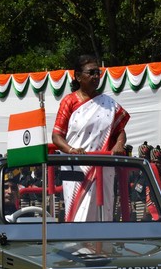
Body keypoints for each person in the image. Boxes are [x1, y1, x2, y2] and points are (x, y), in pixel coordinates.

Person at [52, 54, 130, 222]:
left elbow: (120, 131)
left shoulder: (109, 104)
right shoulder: (69, 102)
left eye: (98, 72)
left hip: (104, 168)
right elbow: (57, 136)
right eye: (91, 72)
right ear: (78, 76)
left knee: (104, 218)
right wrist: (72, 151)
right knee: (78, 218)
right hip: (77, 168)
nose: (96, 76)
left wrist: (119, 144)